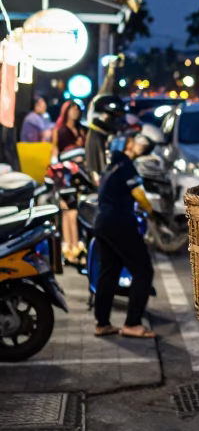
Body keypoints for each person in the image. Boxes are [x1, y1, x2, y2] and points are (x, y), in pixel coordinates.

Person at [92, 125, 159, 339]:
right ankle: (133, 323)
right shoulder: (126, 165)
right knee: (143, 270)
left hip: (103, 222)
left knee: (109, 272)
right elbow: (138, 194)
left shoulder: (113, 165)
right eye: (135, 139)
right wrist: (152, 212)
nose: (140, 143)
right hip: (119, 222)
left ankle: (102, 323)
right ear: (128, 143)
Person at [51, 101, 87, 263]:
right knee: (68, 212)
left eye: (78, 110)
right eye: (73, 109)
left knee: (75, 213)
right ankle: (70, 249)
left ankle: (75, 247)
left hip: (80, 176)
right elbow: (54, 153)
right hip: (64, 176)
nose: (76, 112)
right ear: (66, 111)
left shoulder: (82, 130)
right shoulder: (59, 130)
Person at [85, 94, 128, 183]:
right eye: (113, 117)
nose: (116, 121)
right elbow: (97, 166)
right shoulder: (96, 135)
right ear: (103, 116)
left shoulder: (110, 135)